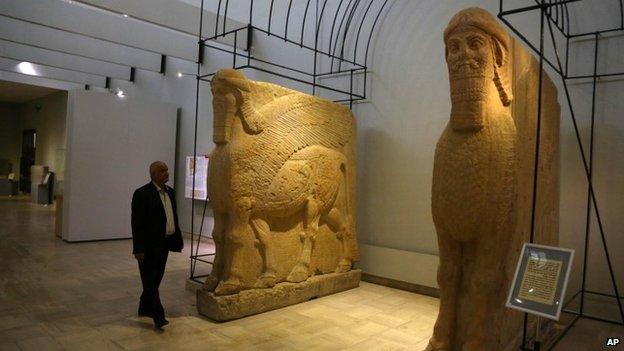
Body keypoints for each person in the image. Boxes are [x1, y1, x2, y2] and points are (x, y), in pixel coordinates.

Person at [131, 161, 183, 329]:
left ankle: (144, 307)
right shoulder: (142, 194)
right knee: (150, 281)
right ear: (153, 174)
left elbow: (172, 216)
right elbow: (137, 223)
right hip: (147, 246)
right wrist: (138, 248)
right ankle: (158, 316)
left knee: (156, 277)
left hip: (164, 243)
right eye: (162, 171)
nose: (166, 173)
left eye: (167, 170)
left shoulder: (171, 192)